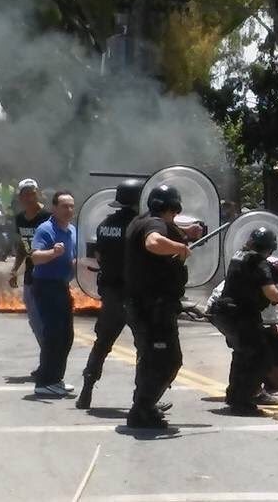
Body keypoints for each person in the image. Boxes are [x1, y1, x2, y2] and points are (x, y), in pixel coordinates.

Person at [124, 184, 192, 428]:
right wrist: (180, 248)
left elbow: (155, 232)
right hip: (154, 309)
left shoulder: (140, 221)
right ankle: (142, 408)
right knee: (168, 360)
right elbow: (153, 242)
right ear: (172, 207)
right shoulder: (156, 226)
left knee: (150, 358)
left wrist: (185, 232)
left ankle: (143, 405)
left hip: (142, 305)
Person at [77, 179, 143, 410]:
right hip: (133, 293)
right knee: (144, 347)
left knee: (102, 343)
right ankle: (142, 399)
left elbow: (100, 256)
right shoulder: (138, 225)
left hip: (110, 292)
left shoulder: (105, 224)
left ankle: (86, 389)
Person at [210, 227, 278, 415]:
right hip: (241, 315)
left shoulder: (239, 256)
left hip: (226, 313)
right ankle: (243, 399)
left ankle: (235, 396)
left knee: (242, 355)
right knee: (258, 357)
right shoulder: (259, 263)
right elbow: (272, 293)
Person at [29, 191, 77, 398]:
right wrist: (53, 253)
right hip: (45, 286)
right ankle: (44, 381)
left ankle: (56, 379)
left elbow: (74, 258)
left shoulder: (73, 230)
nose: (69, 210)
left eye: (71, 206)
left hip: (62, 286)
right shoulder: (46, 229)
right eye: (64, 206)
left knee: (67, 336)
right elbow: (36, 257)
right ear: (54, 208)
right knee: (53, 334)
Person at [9, 179, 50, 377]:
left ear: (38, 194)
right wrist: (14, 270)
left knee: (47, 320)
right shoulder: (20, 219)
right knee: (35, 321)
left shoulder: (48, 217)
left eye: (31, 193)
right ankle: (47, 360)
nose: (28, 197)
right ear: (20, 197)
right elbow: (21, 248)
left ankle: (49, 363)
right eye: (24, 194)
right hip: (30, 275)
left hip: (48, 274)